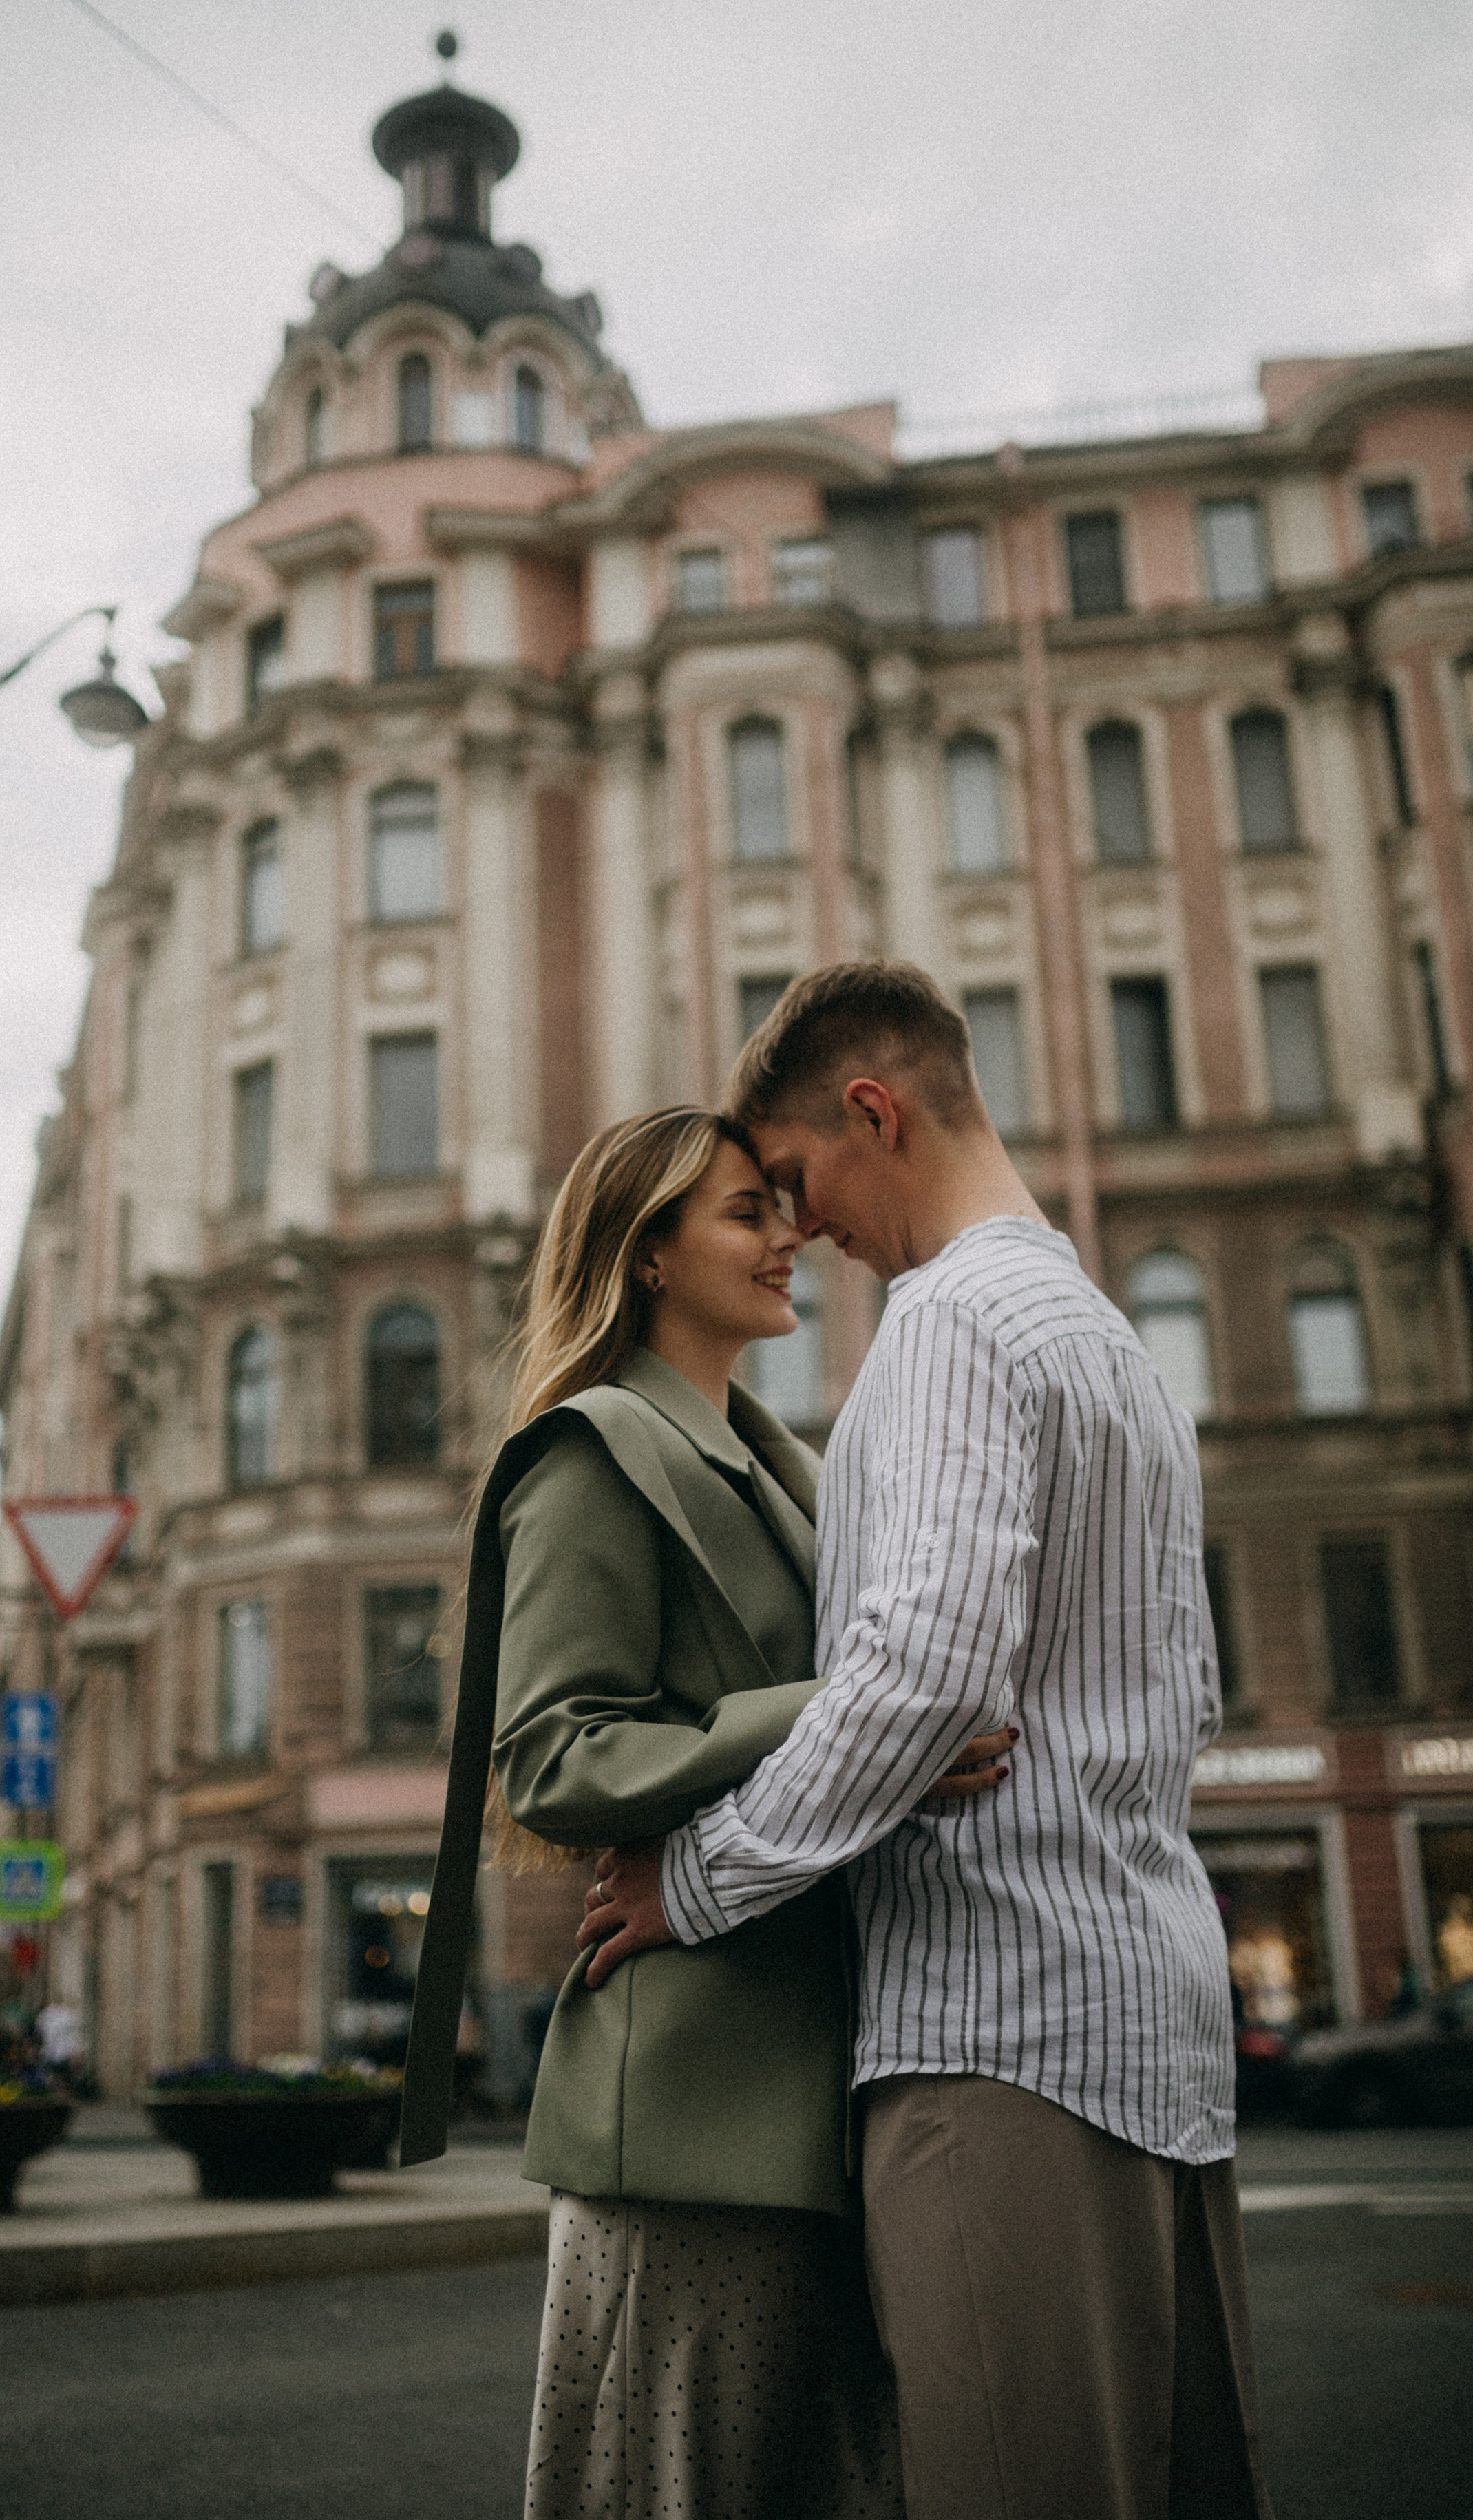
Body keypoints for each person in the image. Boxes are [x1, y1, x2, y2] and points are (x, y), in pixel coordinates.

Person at [582, 963, 1273, 2520]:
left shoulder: (949, 1321)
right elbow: (1179, 1688)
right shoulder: (1107, 1339)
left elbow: (918, 1675)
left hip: (996, 2033)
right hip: (1151, 2025)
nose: (800, 1222)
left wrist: (692, 1877)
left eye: (800, 1176)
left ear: (873, 1112)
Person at [401, 1105, 1011, 2520]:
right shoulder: (588, 1451)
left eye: (779, 1207)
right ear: (650, 1253)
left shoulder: (776, 1458)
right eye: (745, 1211)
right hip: (687, 2118)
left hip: (815, 2098)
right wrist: (859, 1713)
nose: (787, 1234)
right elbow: (550, 1754)